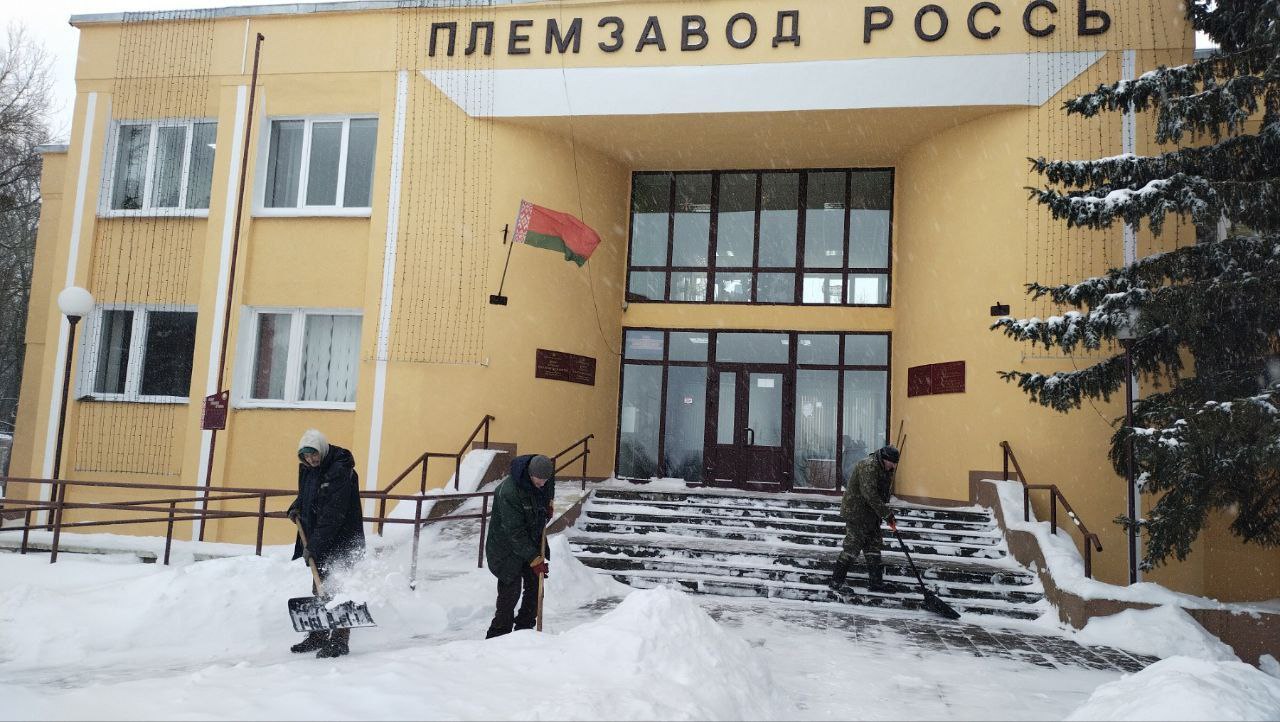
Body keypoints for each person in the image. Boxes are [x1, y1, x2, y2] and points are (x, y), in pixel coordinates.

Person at [286, 429, 365, 658]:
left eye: (314, 454)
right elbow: (310, 494)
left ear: (322, 449)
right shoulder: (309, 469)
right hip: (321, 536)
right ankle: (319, 635)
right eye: (306, 455)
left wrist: (314, 546)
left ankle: (340, 640)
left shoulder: (340, 470)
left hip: (342, 538)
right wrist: (297, 506)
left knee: (338, 587)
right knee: (319, 586)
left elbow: (333, 514)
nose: (311, 459)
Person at [484, 453, 556, 638]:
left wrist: (548, 504)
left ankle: (524, 632)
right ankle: (498, 635)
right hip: (506, 548)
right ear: (530, 474)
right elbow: (514, 532)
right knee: (510, 593)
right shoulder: (508, 492)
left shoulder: (544, 480)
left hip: (530, 540)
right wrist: (534, 558)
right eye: (539, 481)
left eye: (545, 480)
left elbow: (549, 487)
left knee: (535, 587)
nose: (543, 484)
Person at [830, 445, 900, 594]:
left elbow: (882, 494)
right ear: (885, 459)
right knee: (852, 548)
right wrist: (886, 514)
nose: (893, 466)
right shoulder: (868, 466)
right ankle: (836, 582)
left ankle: (876, 583)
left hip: (871, 515)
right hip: (857, 513)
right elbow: (870, 494)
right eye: (892, 463)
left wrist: (884, 514)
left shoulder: (884, 468)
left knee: (873, 547)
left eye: (895, 463)